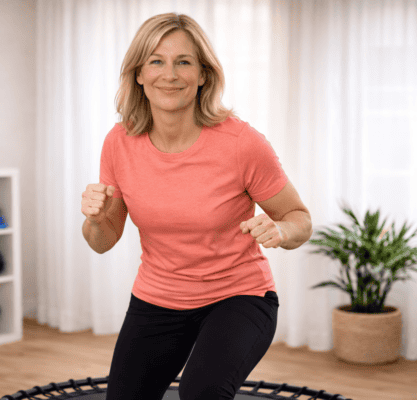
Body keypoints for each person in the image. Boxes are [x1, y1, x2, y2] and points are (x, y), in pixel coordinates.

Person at [81, 13, 312, 400]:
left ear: (203, 74)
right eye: (156, 61)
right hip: (157, 297)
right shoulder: (119, 142)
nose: (169, 74)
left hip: (238, 296)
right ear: (139, 74)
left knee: (201, 393)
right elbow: (103, 241)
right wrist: (94, 219)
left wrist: (282, 229)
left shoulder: (241, 143)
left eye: (183, 62)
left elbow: (299, 218)